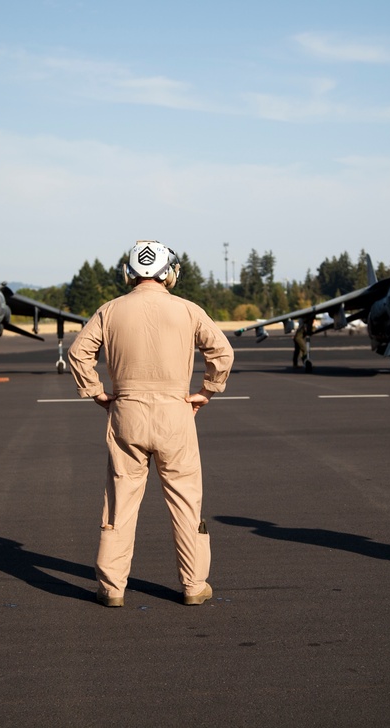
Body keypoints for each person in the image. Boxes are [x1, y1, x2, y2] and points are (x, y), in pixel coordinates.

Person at [68, 240, 234, 608]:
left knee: (120, 503)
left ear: (129, 272)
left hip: (126, 410)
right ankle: (194, 585)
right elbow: (222, 352)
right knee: (185, 501)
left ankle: (111, 588)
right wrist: (206, 391)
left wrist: (97, 393)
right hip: (176, 412)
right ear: (170, 272)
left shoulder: (109, 311)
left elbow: (79, 353)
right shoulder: (188, 310)